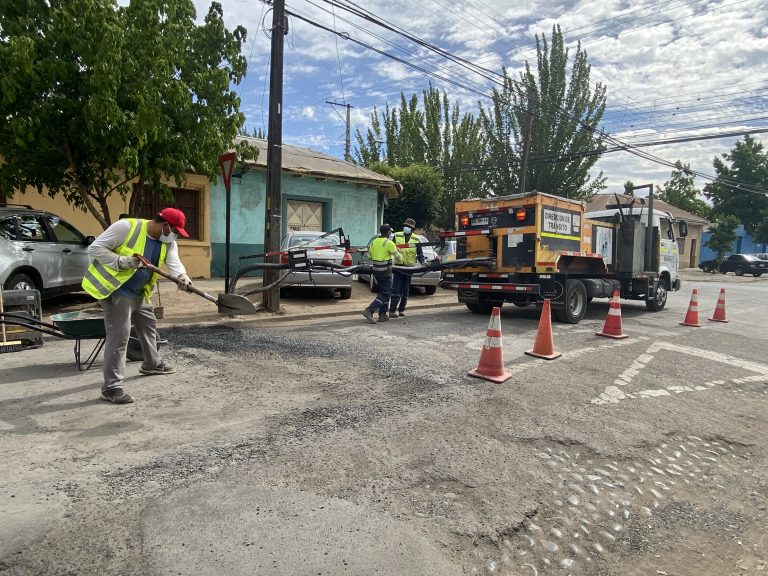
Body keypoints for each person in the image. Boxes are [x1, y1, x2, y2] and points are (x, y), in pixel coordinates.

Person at [82, 208, 193, 404]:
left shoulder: (168, 243)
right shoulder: (127, 227)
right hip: (116, 290)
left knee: (148, 325)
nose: (175, 236)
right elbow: (95, 248)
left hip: (140, 293)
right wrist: (122, 262)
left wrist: (182, 278)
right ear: (164, 225)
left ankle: (152, 363)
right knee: (120, 337)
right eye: (175, 231)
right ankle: (111, 387)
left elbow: (174, 264)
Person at [361, 223, 402, 324]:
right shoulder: (389, 243)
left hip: (376, 272)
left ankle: (383, 315)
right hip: (385, 272)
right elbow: (399, 258)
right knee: (385, 293)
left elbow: (369, 257)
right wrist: (396, 252)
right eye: (390, 232)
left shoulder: (374, 242)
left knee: (383, 291)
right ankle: (369, 310)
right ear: (388, 232)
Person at [388, 217, 425, 318]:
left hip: (409, 268)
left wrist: (423, 262)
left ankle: (401, 309)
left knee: (405, 289)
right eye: (405, 226)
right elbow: (391, 249)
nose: (406, 228)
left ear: (412, 229)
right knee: (396, 289)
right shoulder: (397, 235)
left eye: (408, 227)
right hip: (399, 266)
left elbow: (420, 253)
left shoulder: (416, 239)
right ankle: (392, 311)